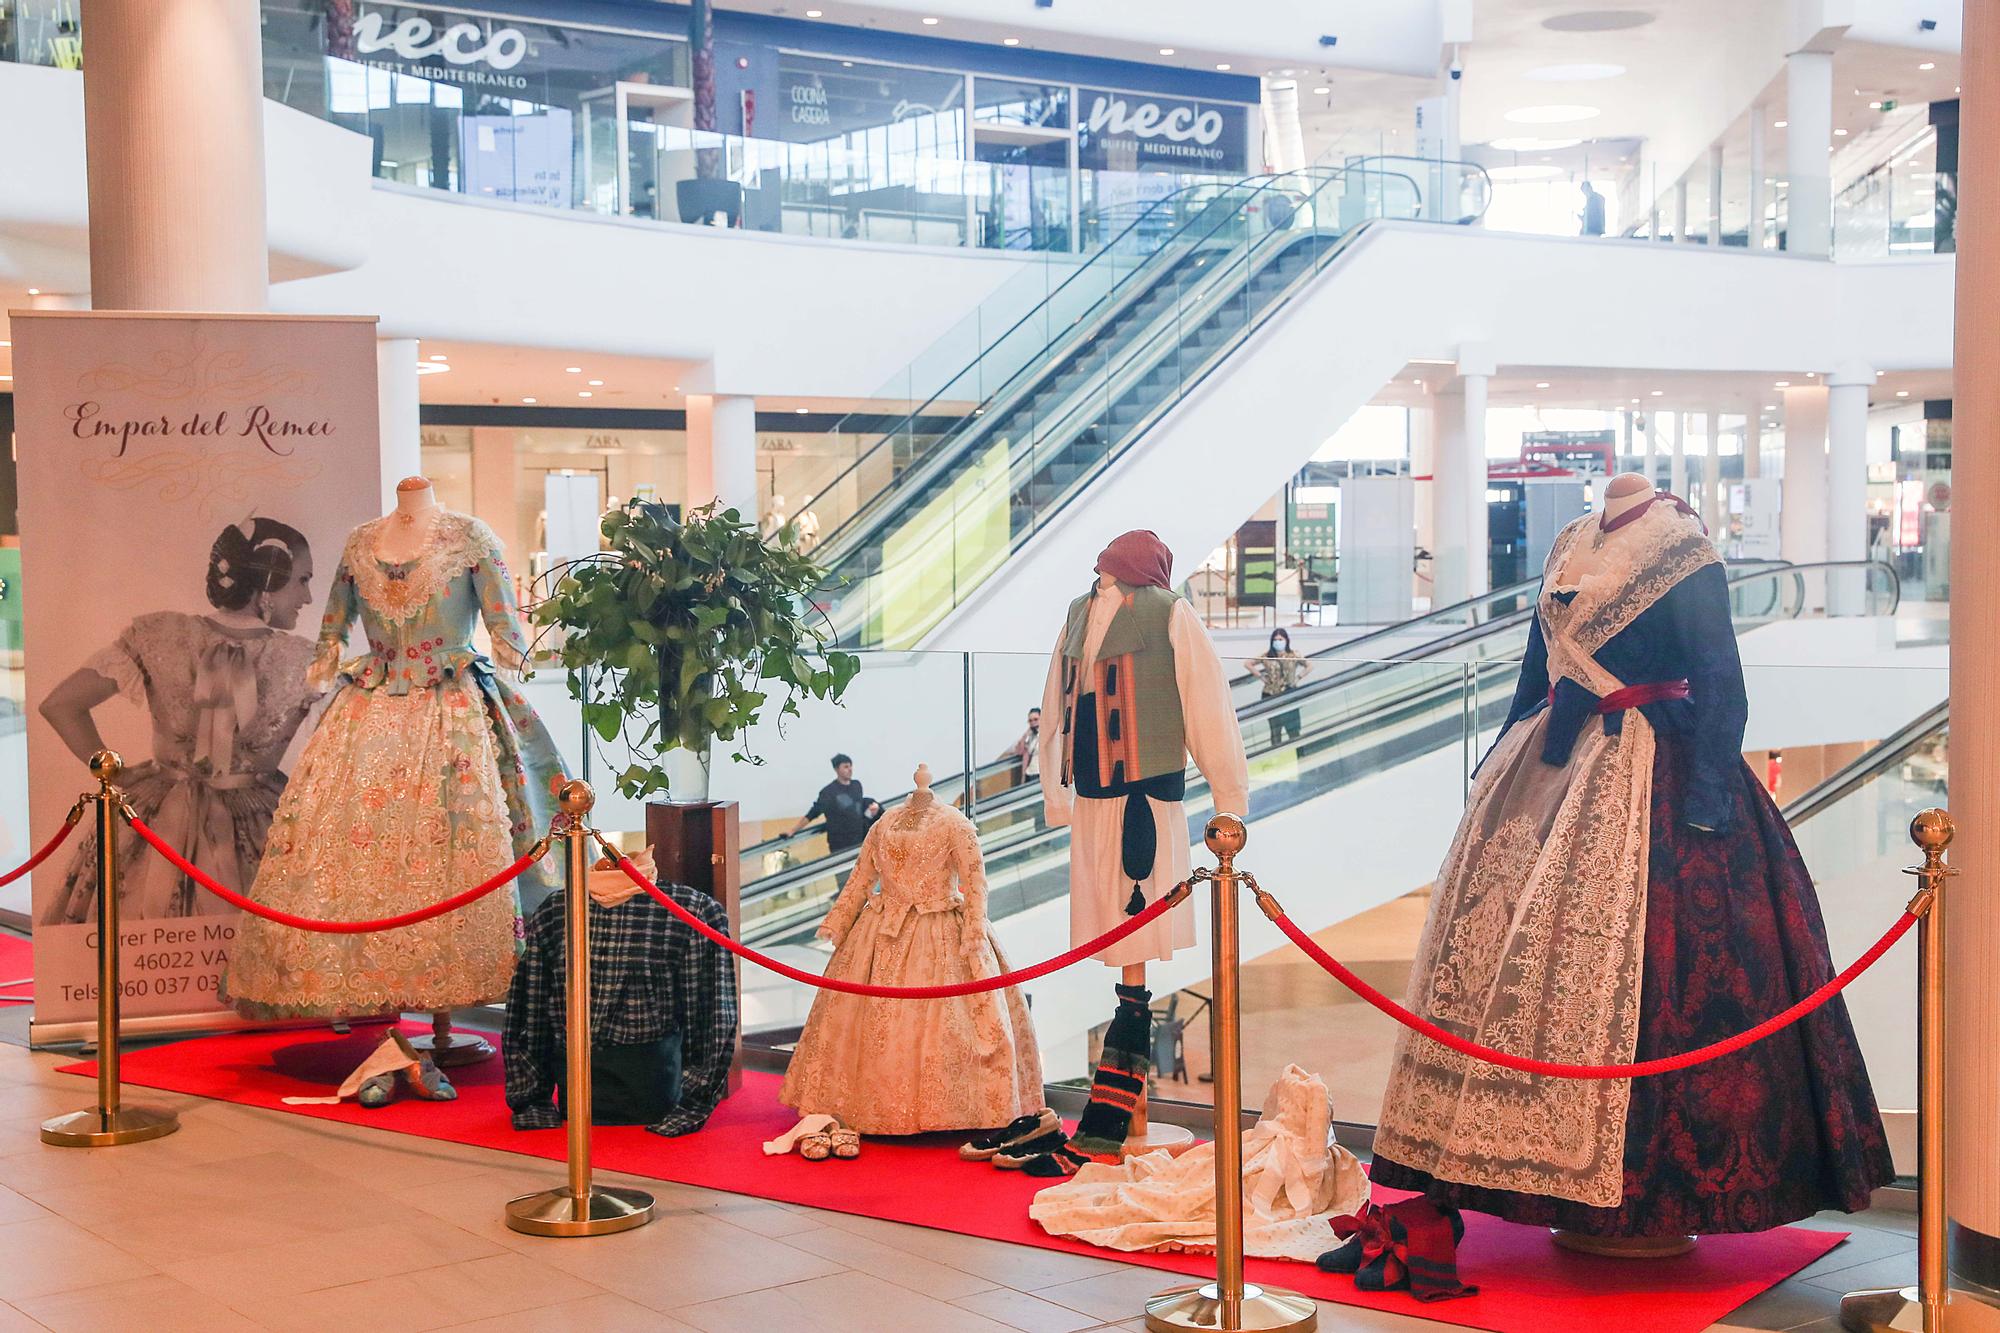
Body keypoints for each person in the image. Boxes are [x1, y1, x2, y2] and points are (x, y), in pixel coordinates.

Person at [40, 519, 320, 925]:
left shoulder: (160, 635)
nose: (308, 597)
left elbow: (61, 705)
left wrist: (112, 772)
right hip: (262, 823)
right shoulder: (306, 661)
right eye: (302, 580)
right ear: (268, 585)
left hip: (153, 818)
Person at [791, 753, 880, 853]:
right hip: (841, 843)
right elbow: (813, 813)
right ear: (837, 769)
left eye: (850, 766)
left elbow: (858, 808)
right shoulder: (829, 792)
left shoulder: (856, 785)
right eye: (846, 767)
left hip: (860, 839)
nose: (850, 769)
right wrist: (793, 830)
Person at [1244, 628, 1311, 749]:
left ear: (1286, 640)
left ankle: (1299, 755)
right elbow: (1248, 663)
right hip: (1271, 695)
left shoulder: (1293, 655)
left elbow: (1309, 665)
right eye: (1275, 640)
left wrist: (1298, 678)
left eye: (1280, 639)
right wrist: (1261, 677)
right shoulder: (1267, 656)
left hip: (1289, 694)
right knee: (1275, 729)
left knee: (1293, 728)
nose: (1278, 642)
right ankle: (1276, 755)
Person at [996, 707, 1042, 785]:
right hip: (1030, 773)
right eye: (1030, 721)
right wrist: (1025, 736)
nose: (1033, 722)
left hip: (1041, 773)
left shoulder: (1046, 736)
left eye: (1035, 719)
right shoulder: (1030, 737)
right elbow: (1019, 752)